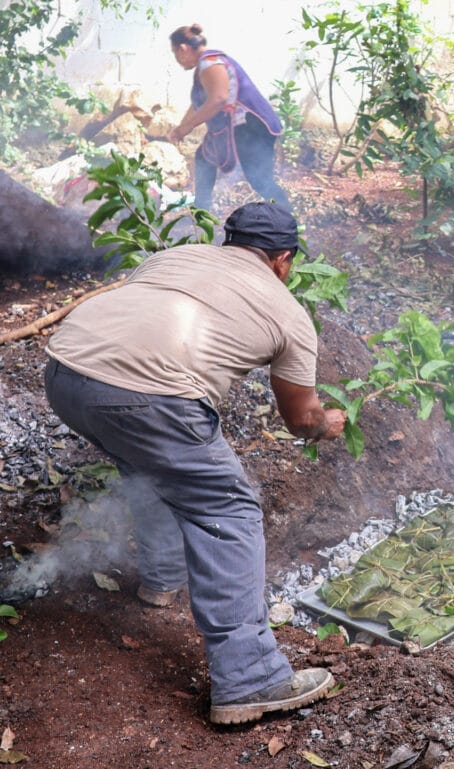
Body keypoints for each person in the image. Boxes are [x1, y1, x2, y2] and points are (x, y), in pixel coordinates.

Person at [44, 201, 345, 725]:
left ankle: (162, 578)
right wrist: (327, 424)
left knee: (149, 468)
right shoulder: (290, 313)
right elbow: (300, 421)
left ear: (229, 242)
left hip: (66, 373)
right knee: (228, 509)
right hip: (148, 396)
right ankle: (250, 679)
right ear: (284, 260)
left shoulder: (175, 256)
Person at [168, 24, 291, 213]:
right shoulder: (207, 64)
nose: (177, 59)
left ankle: (288, 217)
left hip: (252, 126)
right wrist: (181, 128)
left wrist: (186, 128)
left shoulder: (210, 63)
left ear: (183, 49)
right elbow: (198, 104)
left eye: (175, 53)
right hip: (245, 126)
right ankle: (202, 211)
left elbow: (218, 99)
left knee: (260, 179)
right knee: (204, 157)